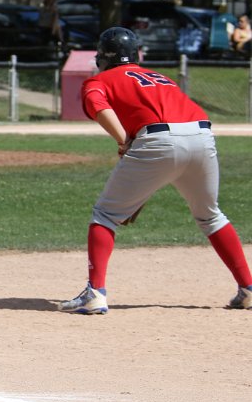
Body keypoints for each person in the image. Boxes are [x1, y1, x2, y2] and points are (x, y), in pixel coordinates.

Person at [59, 27, 252, 315]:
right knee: (210, 215)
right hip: (202, 135)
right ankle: (248, 288)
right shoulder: (160, 77)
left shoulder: (98, 80)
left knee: (106, 215)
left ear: (103, 57)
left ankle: (94, 294)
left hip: (157, 140)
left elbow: (100, 107)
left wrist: (123, 141)